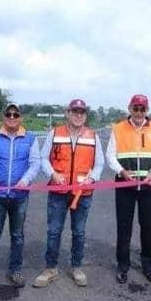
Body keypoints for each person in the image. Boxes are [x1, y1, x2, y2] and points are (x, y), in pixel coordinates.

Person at [33, 99, 104, 288]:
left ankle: (76, 267)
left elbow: (99, 164)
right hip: (58, 191)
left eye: (82, 111)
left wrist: (93, 178)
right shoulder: (54, 133)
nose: (78, 114)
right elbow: (43, 158)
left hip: (82, 193)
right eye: (75, 111)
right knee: (54, 231)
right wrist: (52, 174)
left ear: (85, 114)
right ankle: (50, 268)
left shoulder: (93, 136)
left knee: (79, 232)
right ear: (68, 112)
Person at [0, 103, 41, 296]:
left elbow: (35, 163)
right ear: (4, 117)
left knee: (17, 236)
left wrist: (26, 180)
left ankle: (15, 271)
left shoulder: (30, 138)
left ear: (21, 117)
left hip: (20, 196)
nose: (12, 117)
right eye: (9, 114)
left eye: (16, 114)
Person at [106, 94, 151, 284]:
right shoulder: (118, 129)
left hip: (148, 185)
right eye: (135, 108)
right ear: (130, 109)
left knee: (148, 227)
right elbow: (110, 156)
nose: (139, 112)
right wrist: (122, 171)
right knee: (124, 228)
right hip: (125, 185)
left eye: (142, 109)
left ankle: (148, 265)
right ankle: (123, 266)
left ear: (147, 110)